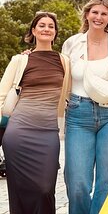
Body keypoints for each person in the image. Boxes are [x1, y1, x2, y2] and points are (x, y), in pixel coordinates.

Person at [61, 0, 108, 214]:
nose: (99, 17)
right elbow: (59, 72)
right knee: (78, 182)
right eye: (95, 12)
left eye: (104, 14)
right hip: (78, 114)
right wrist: (30, 56)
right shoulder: (72, 43)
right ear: (87, 15)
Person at [0, 11, 70, 214]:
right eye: (42, 25)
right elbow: (2, 95)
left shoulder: (64, 61)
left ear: (55, 32)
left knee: (45, 188)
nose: (46, 29)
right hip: (19, 133)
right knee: (19, 189)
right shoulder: (20, 60)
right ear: (33, 30)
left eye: (51, 26)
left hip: (48, 133)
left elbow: (69, 92)